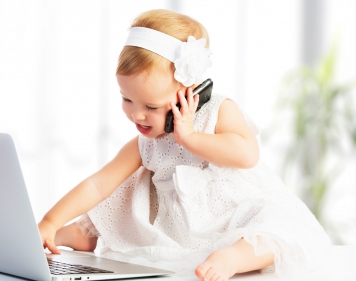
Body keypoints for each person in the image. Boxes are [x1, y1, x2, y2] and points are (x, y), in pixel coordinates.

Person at [38, 9, 330, 280]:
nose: (136, 114)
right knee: (120, 202)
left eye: (150, 106)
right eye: (127, 99)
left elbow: (248, 154)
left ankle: (234, 258)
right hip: (174, 226)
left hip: (231, 215)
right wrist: (50, 220)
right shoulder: (145, 144)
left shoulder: (217, 111)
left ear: (188, 91)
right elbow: (98, 186)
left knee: (280, 227)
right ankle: (62, 234)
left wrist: (190, 137)